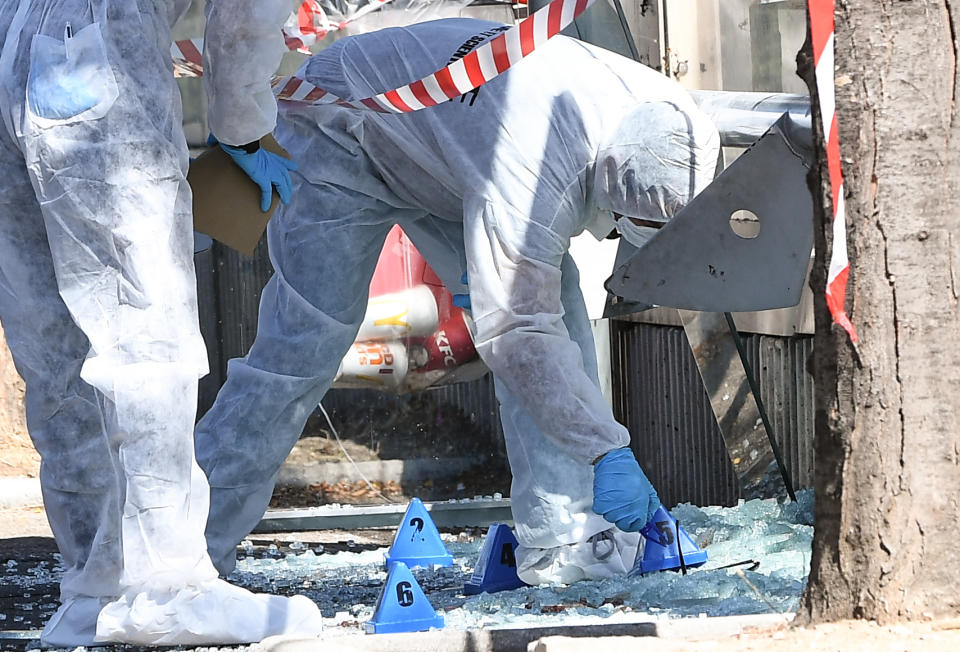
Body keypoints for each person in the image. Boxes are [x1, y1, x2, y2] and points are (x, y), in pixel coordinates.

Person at [196, 16, 720, 585]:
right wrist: (605, 450)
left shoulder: (683, 130)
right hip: (342, 126)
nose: (617, 236)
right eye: (625, 225)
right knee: (302, 346)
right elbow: (519, 332)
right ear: (606, 179)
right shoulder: (538, 167)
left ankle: (568, 541)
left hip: (443, 149)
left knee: (557, 308)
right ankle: (193, 546)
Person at [0, 0, 322, 646]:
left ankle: (95, 584)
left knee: (54, 344)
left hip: (8, 50)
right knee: (147, 330)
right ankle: (167, 587)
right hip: (92, 52)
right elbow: (243, 16)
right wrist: (242, 129)